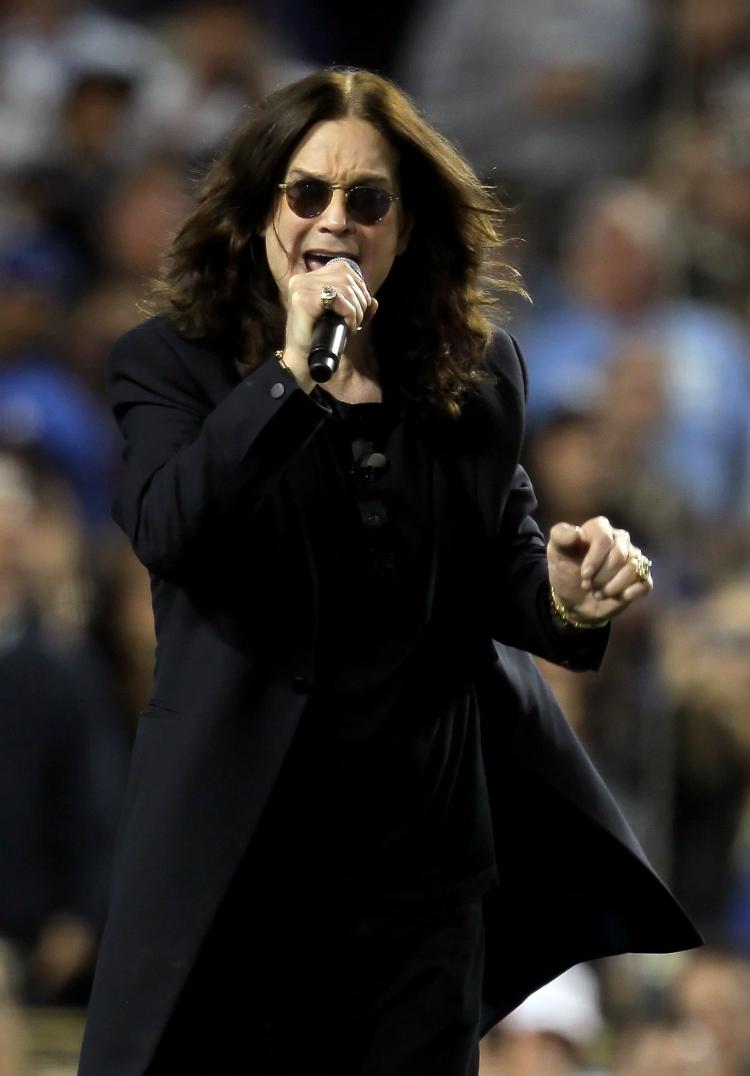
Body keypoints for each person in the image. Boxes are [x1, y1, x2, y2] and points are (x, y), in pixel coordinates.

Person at [77, 69, 699, 1076]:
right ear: (258, 212)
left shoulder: (475, 371)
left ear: (406, 228)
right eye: (306, 192)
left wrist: (564, 593)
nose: (335, 219)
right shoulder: (172, 362)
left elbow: (499, 558)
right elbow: (170, 526)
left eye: (367, 199)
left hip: (421, 872)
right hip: (244, 865)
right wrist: (290, 376)